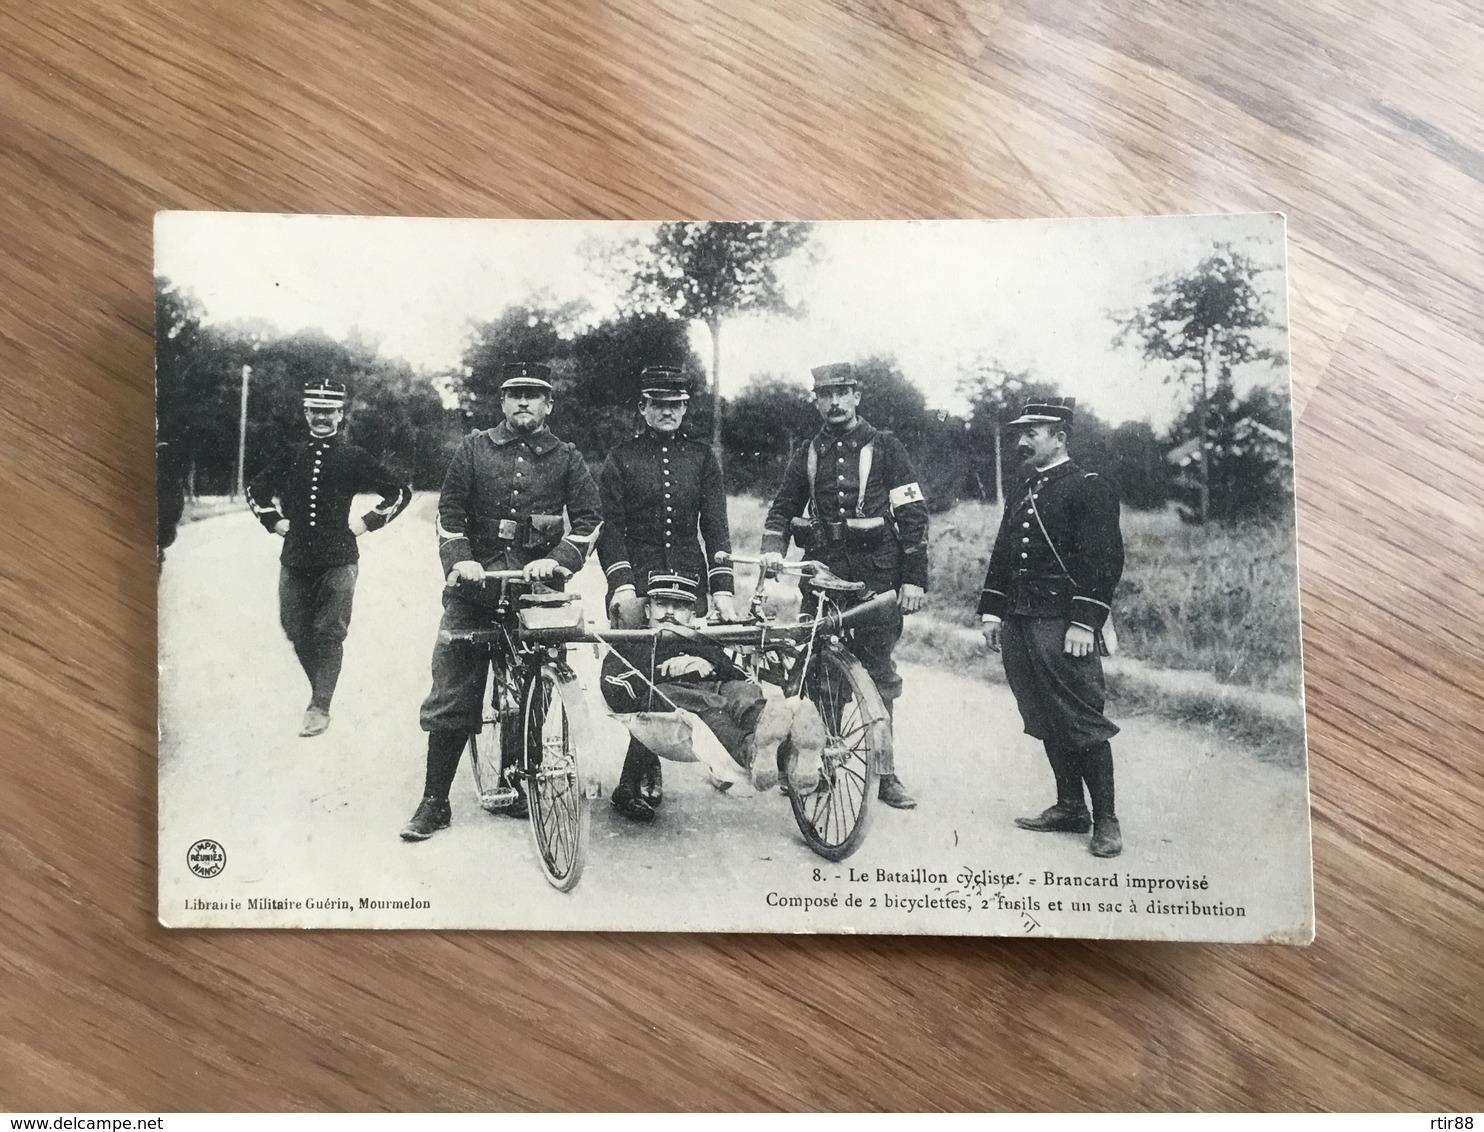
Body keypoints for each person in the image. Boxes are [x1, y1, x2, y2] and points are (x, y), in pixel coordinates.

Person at [401, 362, 603, 842]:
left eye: (534, 395)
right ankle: (435, 801)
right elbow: (448, 516)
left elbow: (590, 521)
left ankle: (519, 777)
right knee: (453, 684)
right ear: (502, 402)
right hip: (475, 587)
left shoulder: (567, 457)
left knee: (537, 677)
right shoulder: (474, 448)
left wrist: (557, 561)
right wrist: (462, 562)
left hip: (537, 588)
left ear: (549, 404)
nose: (524, 403)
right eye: (515, 395)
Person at [759, 361, 928, 810]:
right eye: (824, 394)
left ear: (856, 396)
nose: (833, 402)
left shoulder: (885, 446)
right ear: (815, 400)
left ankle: (884, 771)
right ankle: (820, 763)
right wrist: (772, 550)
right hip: (820, 570)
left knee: (879, 674)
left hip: (876, 575)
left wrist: (913, 579)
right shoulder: (808, 451)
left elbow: (913, 516)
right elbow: (782, 507)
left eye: (841, 393)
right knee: (818, 669)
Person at [978, 397, 1126, 858]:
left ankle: (1105, 819)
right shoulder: (1026, 483)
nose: (1023, 441)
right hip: (1022, 620)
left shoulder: (1089, 486)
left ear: (1060, 436)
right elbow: (1005, 550)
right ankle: (1069, 807)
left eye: (1033, 432)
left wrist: (1084, 622)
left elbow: (1104, 561)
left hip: (1064, 624)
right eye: (1022, 432)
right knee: (1042, 713)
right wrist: (992, 610)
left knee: (1081, 718)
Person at [595, 365, 736, 811]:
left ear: (685, 408)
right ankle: (634, 777)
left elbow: (715, 525)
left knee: (684, 671)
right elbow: (610, 530)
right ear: (643, 408)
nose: (668, 411)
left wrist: (723, 589)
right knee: (641, 675)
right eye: (658, 404)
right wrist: (621, 585)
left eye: (675, 404)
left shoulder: (701, 456)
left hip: (687, 582)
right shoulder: (620, 457)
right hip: (636, 582)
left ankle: (645, 768)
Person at [246, 381, 412, 737]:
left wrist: (367, 522)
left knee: (329, 632)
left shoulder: (353, 457)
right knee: (295, 628)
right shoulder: (289, 453)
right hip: (294, 559)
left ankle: (320, 705)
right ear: (306, 413)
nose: (322, 417)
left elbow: (399, 492)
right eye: (315, 410)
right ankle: (319, 690)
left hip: (339, 559)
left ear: (340, 414)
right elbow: (255, 490)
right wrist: (272, 520)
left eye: (329, 411)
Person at [599, 572, 825, 822]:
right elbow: (614, 685)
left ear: (692, 615)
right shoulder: (633, 642)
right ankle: (753, 751)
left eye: (681, 607)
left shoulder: (700, 639)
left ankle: (785, 747)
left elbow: (736, 672)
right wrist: (663, 669)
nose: (670, 613)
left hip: (715, 689)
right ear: (648, 610)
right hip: (674, 704)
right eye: (662, 604)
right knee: (707, 708)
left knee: (742, 691)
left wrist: (702, 661)